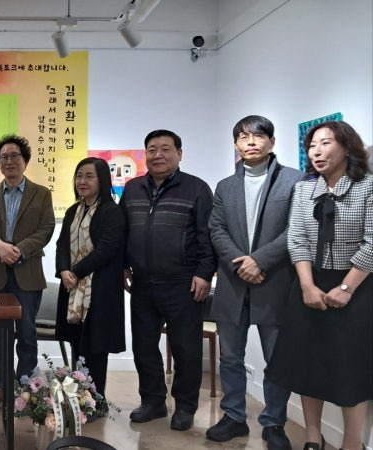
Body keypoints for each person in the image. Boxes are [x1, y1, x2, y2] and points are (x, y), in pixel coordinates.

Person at [267, 121, 373, 450]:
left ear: (347, 147)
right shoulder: (304, 189)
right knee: (306, 363)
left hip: (357, 285)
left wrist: (346, 288)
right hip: (309, 282)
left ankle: (352, 443)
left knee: (351, 367)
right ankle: (313, 436)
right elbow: (297, 239)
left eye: (325, 143)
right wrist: (307, 285)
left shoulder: (367, 187)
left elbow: (372, 242)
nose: (317, 151)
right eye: (312, 145)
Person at [206, 115, 301, 449]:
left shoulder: (294, 180)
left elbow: (296, 228)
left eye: (258, 136)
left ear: (272, 142)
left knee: (277, 358)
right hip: (233, 284)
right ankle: (233, 417)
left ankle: (274, 422)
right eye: (243, 136)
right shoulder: (225, 186)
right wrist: (241, 264)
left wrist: (259, 261)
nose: (250, 142)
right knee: (231, 357)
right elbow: (216, 229)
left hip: (275, 281)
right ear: (235, 144)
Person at [121, 129, 216, 431]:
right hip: (142, 283)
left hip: (183, 283)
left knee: (186, 348)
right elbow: (123, 231)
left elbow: (208, 235)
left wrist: (204, 273)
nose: (158, 155)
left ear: (179, 154)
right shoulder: (133, 188)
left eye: (165, 149)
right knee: (144, 346)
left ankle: (185, 406)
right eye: (152, 149)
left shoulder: (196, 188)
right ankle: (153, 402)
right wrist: (123, 265)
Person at [0, 135, 55, 409]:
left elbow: (46, 229)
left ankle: (25, 389)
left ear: (25, 161)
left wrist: (19, 250)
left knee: (27, 334)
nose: (9, 161)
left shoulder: (41, 193)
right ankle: (1, 386)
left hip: (28, 272)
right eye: (4, 157)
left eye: (14, 156)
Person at [54, 157, 125, 417]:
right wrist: (63, 270)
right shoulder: (74, 210)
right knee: (77, 343)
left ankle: (96, 402)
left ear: (102, 180)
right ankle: (78, 400)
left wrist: (75, 271)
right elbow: (62, 244)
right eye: (79, 176)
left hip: (100, 290)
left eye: (89, 176)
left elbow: (107, 249)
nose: (82, 181)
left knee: (96, 348)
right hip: (72, 289)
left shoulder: (111, 211)